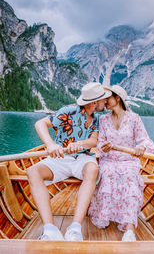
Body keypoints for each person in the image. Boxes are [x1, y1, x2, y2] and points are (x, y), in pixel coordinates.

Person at [26, 82, 112, 241]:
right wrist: (51, 144)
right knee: (32, 171)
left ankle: (75, 228)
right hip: (61, 158)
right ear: (94, 102)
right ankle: (50, 229)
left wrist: (79, 144)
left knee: (93, 170)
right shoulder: (69, 110)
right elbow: (40, 124)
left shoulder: (96, 119)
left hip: (83, 158)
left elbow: (94, 141)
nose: (105, 102)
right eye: (103, 100)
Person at [88, 85, 154, 241]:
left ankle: (129, 228)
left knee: (130, 176)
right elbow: (100, 142)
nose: (104, 102)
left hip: (128, 160)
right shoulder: (103, 119)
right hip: (109, 160)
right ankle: (106, 215)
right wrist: (103, 147)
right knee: (108, 173)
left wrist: (141, 146)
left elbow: (145, 140)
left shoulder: (134, 118)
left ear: (117, 98)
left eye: (107, 98)